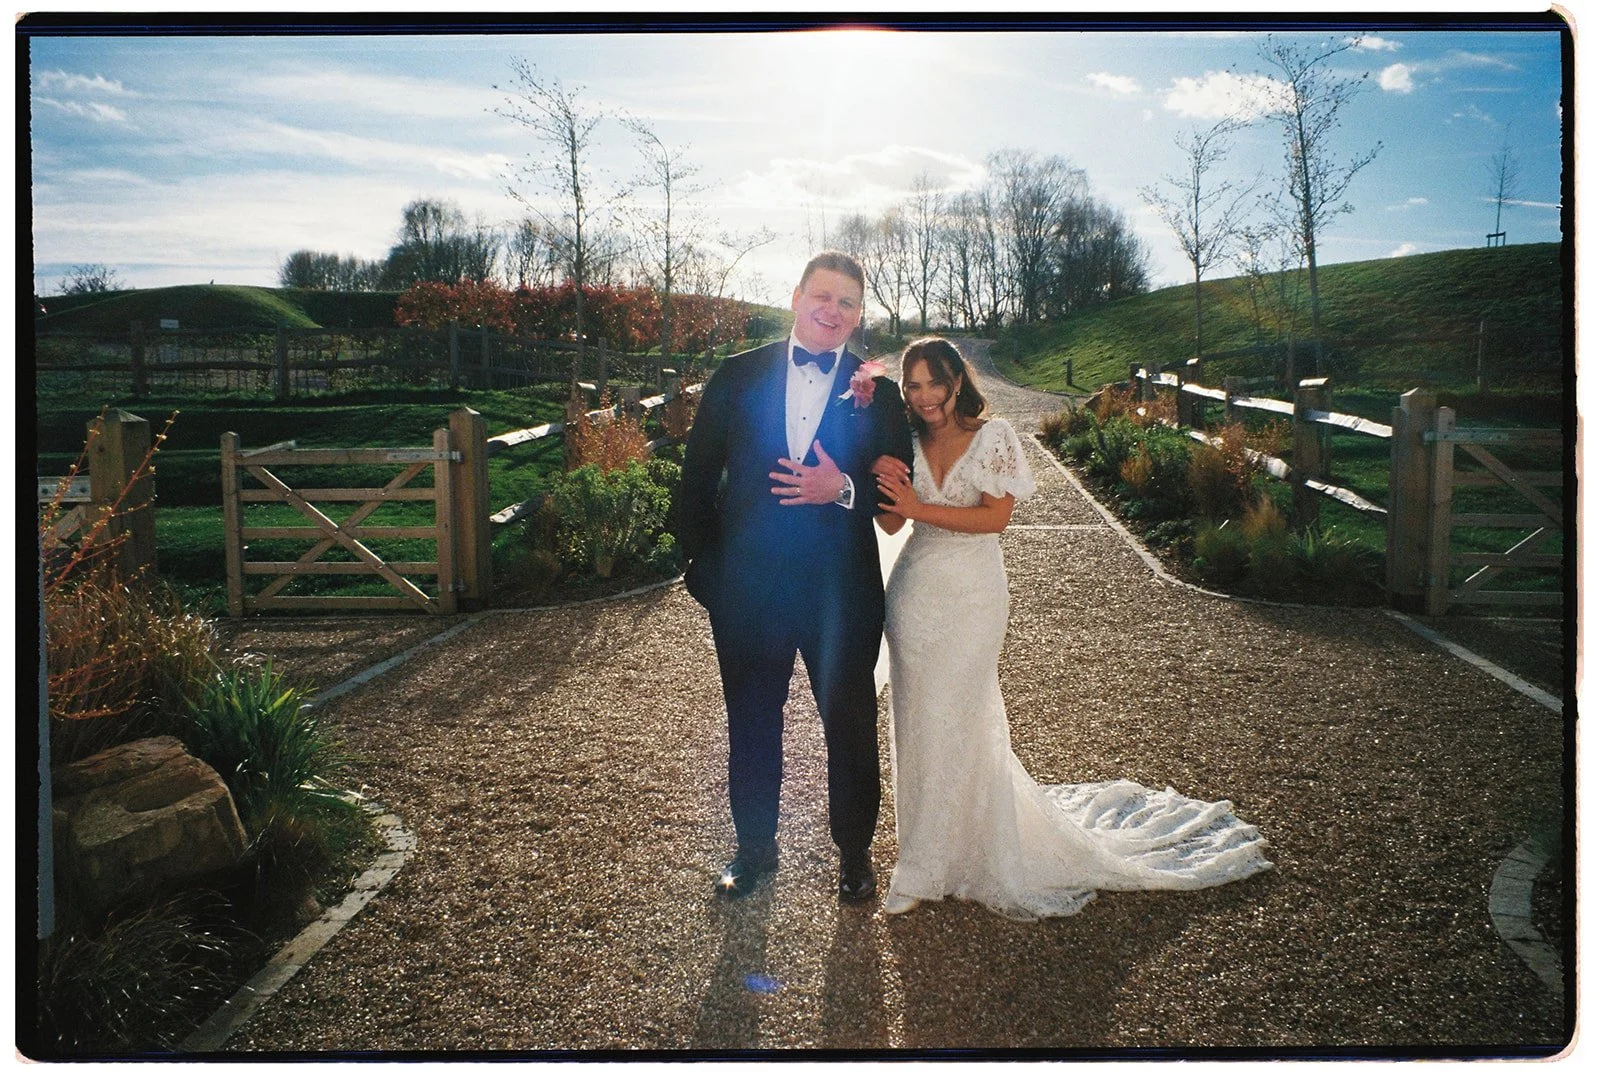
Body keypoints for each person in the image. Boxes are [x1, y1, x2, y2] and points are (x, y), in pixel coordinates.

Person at [871, 337, 1271, 920]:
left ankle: (975, 849)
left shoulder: (995, 437)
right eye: (913, 385)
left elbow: (994, 520)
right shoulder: (903, 442)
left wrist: (913, 508)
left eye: (935, 381)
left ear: (959, 380)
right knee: (916, 720)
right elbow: (888, 524)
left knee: (963, 714)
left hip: (973, 597)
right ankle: (922, 862)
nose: (925, 395)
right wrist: (882, 482)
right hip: (914, 596)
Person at [678, 251, 914, 902]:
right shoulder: (736, 377)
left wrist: (842, 489)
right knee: (751, 719)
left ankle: (855, 854)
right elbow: (696, 476)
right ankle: (754, 850)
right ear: (795, 296)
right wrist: (705, 576)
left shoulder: (880, 395)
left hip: (841, 593)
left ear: (859, 315)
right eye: (822, 296)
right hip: (749, 592)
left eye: (847, 303)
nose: (832, 311)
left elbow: (899, 497)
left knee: (849, 721)